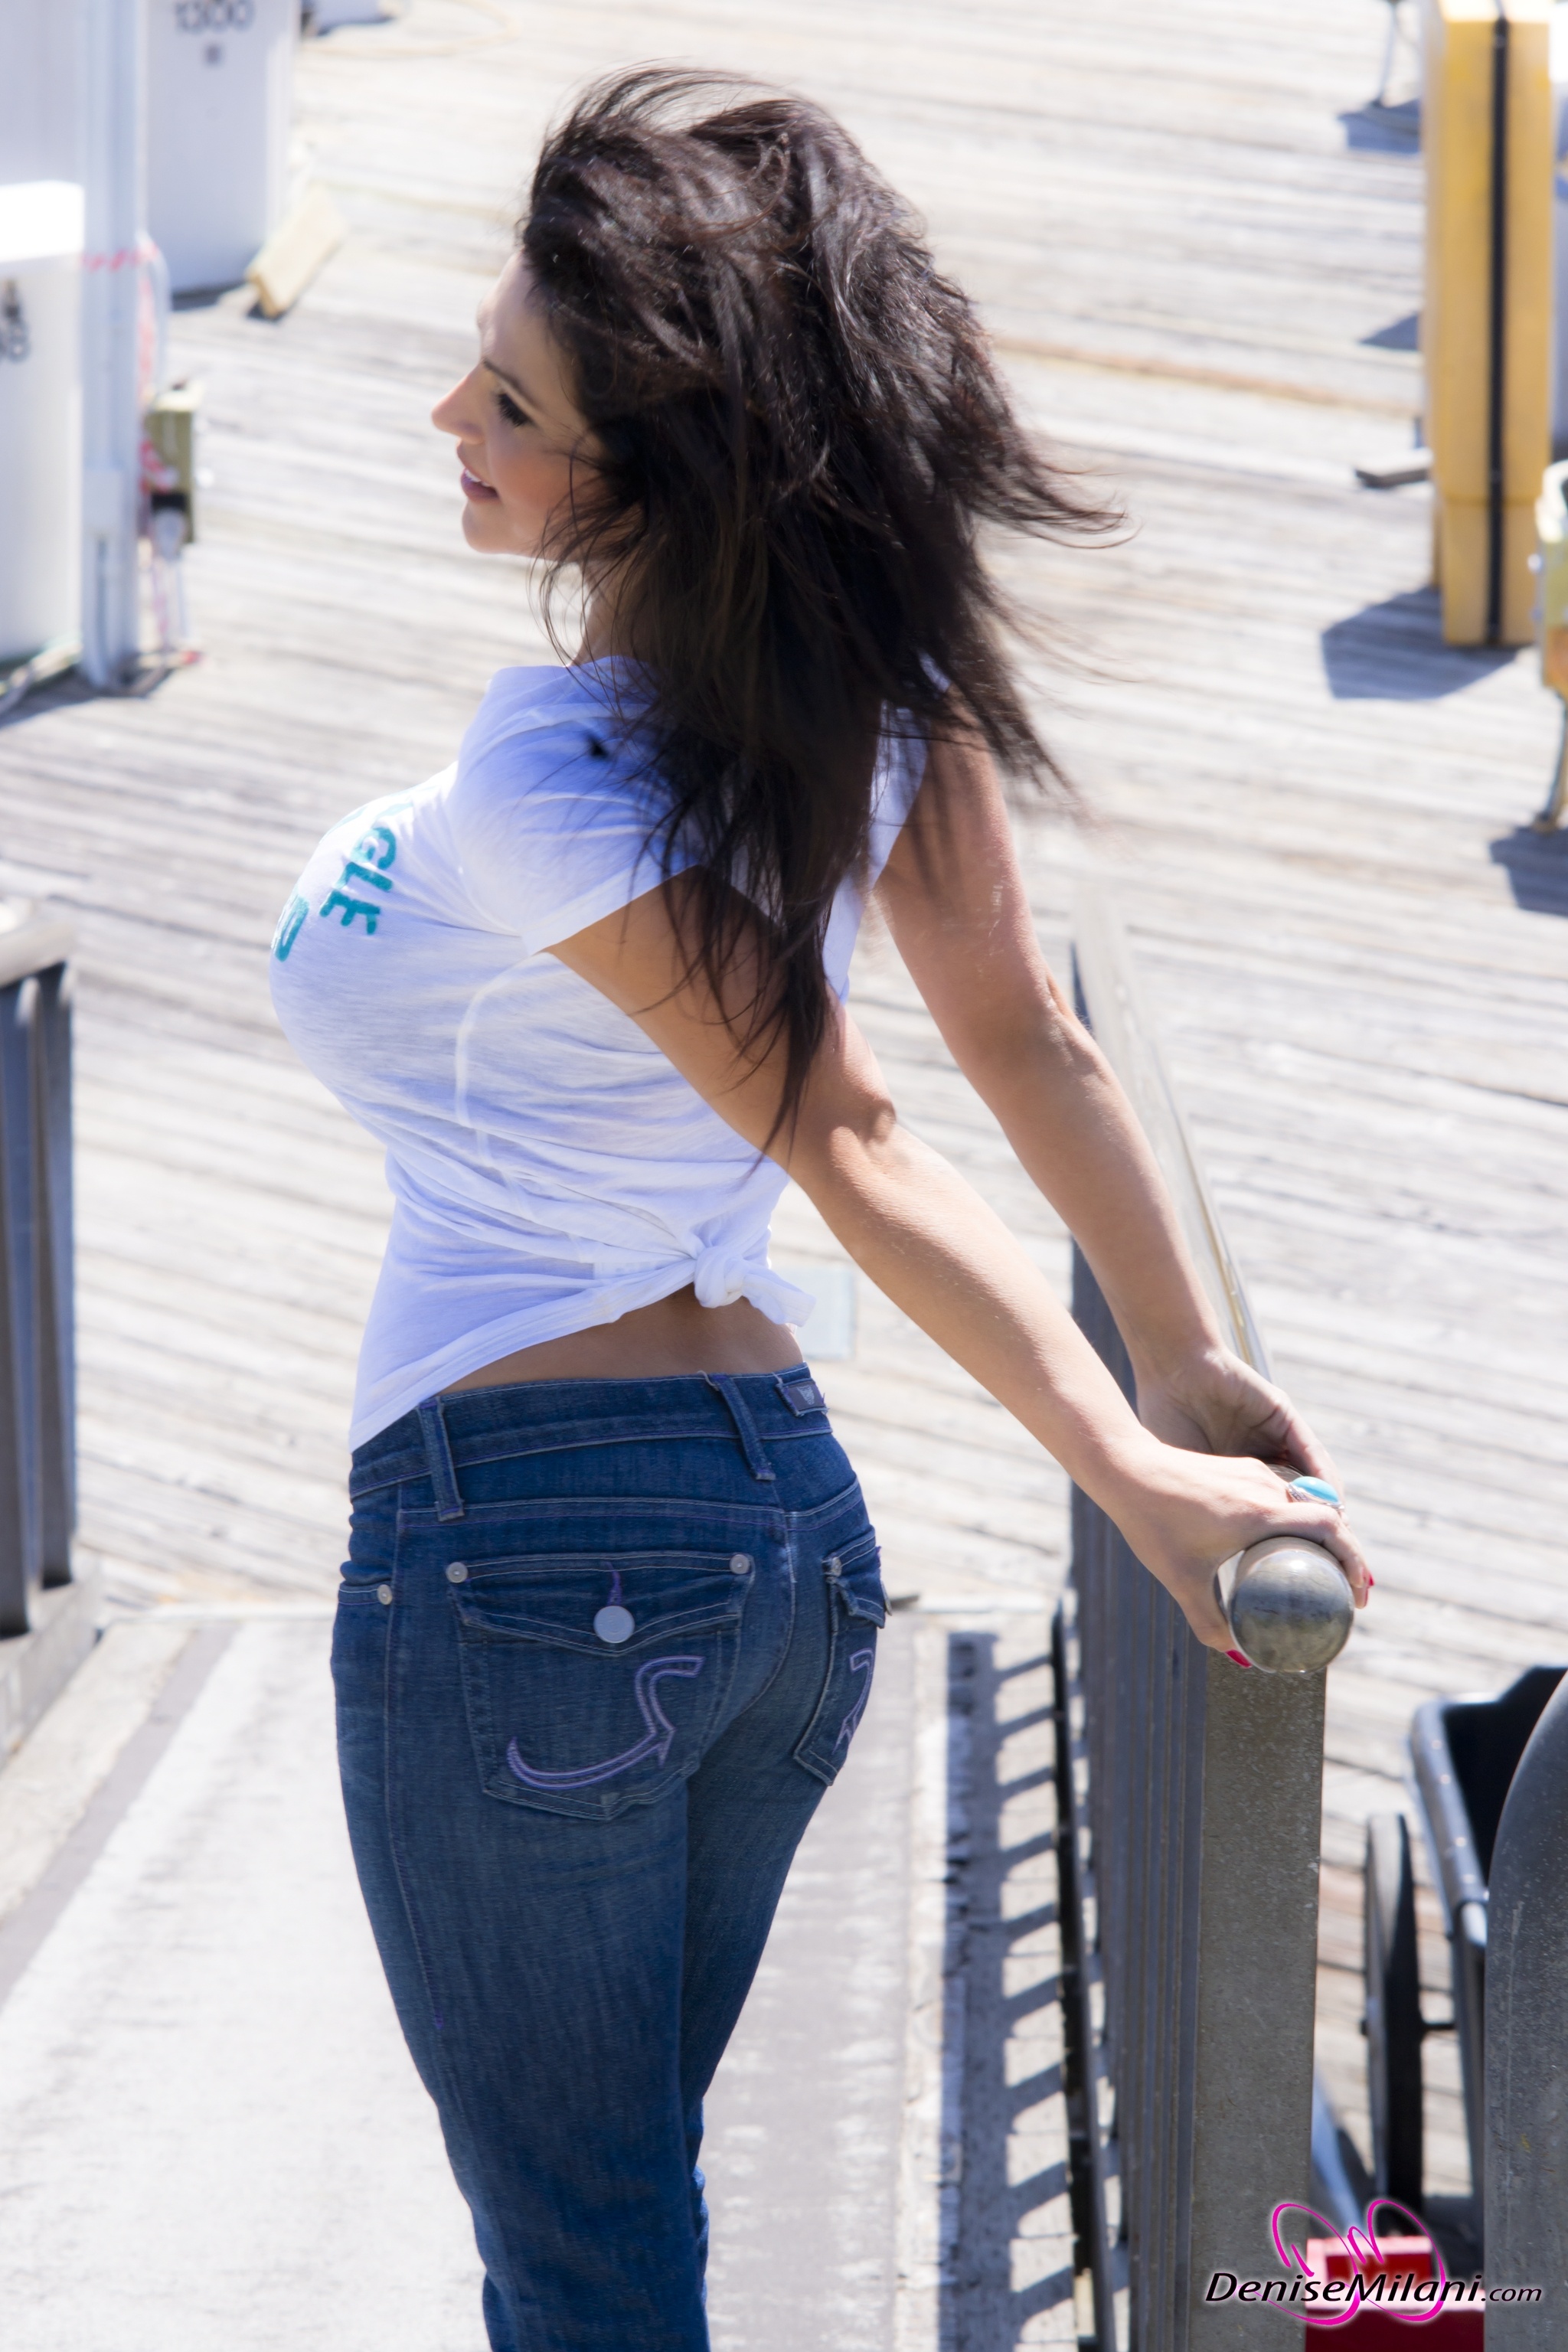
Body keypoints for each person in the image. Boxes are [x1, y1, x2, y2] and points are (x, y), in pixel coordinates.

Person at [269, 68, 1369, 2352]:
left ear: (652, 483)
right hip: (776, 1548)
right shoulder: (875, 705)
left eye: (510, 403)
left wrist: (1145, 1463)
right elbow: (1025, 1045)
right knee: (617, 2210)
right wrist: (1171, 1360)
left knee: (582, 2254)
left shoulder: (549, 765)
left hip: (524, 1555)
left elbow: (855, 1130)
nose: (448, 418)